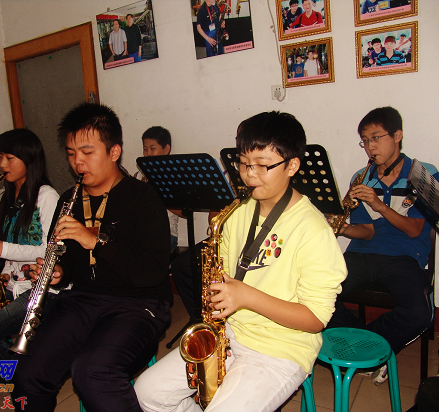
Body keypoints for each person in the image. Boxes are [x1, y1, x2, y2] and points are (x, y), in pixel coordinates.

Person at [135, 111, 347, 412]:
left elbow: (315, 319)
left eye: (262, 165)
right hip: (230, 333)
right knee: (147, 392)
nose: (249, 175)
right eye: (244, 163)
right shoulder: (236, 212)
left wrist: (247, 296)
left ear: (292, 166)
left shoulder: (313, 230)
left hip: (281, 349)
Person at [10, 102, 172, 412]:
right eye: (71, 153)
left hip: (139, 304)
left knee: (93, 373)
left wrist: (96, 240)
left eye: (87, 152)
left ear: (114, 152)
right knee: (27, 372)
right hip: (83, 300)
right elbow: (70, 264)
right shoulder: (69, 199)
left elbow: (152, 272)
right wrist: (58, 272)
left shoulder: (144, 198)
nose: (78, 162)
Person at [328, 106, 437, 385]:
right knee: (318, 295)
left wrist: (378, 204)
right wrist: (340, 227)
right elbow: (365, 232)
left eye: (376, 138)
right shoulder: (362, 176)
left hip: (404, 255)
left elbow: (414, 230)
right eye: (365, 141)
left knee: (420, 314)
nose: (370, 147)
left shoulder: (424, 173)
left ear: (397, 136)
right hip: (362, 253)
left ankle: (370, 348)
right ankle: (370, 349)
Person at [0, 129, 60, 363]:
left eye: (9, 157)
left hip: (42, 289)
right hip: (15, 284)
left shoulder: (47, 196)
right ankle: (18, 368)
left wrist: (2, 249)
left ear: (29, 159)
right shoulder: (6, 198)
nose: (2, 164)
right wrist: (5, 272)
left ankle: (20, 376)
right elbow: (13, 246)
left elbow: (51, 251)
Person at [134, 126, 180, 252]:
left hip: (165, 234)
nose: (148, 153)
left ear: (166, 149)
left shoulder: (173, 176)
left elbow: (184, 212)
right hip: (140, 233)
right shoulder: (139, 175)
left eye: (153, 148)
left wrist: (158, 196)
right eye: (145, 149)